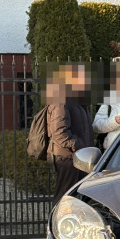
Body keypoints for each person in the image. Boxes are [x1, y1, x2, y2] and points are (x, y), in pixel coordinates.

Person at [46, 66, 93, 203]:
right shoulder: (60, 101)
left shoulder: (76, 101)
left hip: (78, 157)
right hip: (66, 158)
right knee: (64, 198)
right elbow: (59, 132)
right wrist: (79, 145)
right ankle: (55, 224)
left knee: (75, 200)